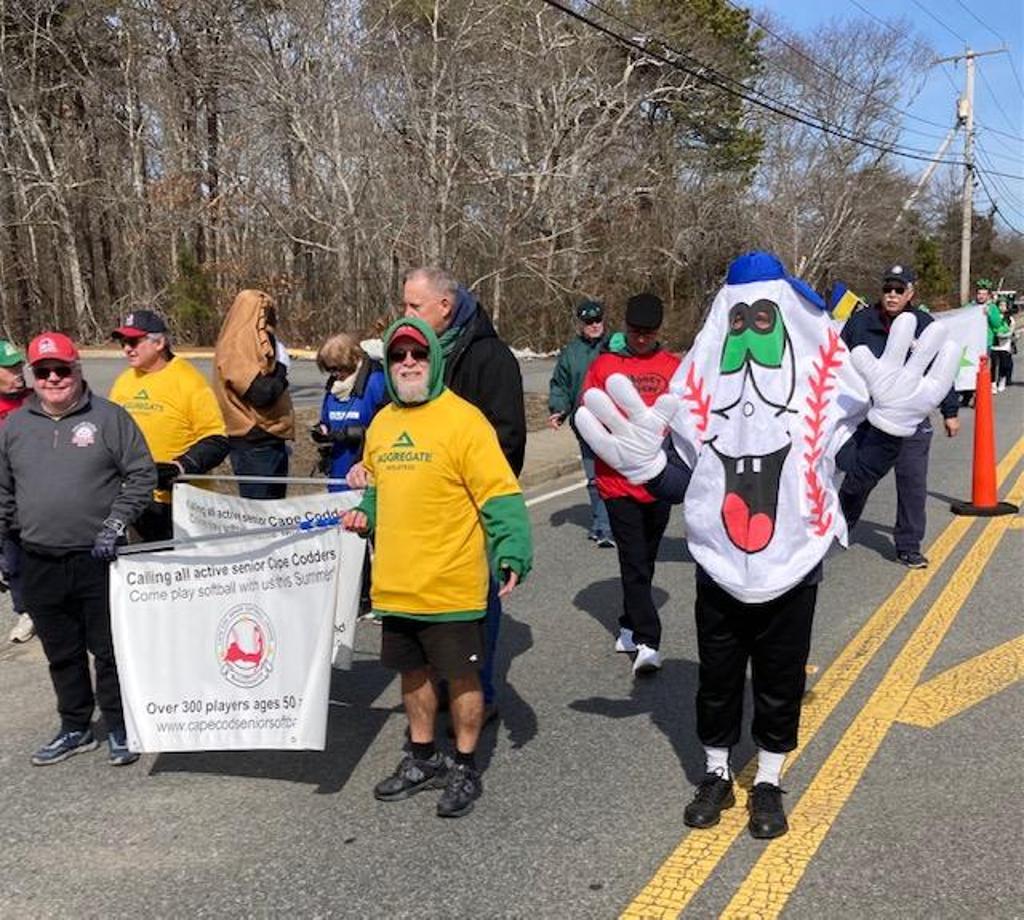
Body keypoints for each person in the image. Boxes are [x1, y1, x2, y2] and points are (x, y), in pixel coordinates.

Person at [577, 251, 958, 839]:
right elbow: (689, 485)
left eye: (764, 320)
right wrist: (649, 470)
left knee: (780, 680)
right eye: (739, 321)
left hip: (793, 564)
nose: (751, 336)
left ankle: (769, 779)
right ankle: (716, 772)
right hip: (719, 566)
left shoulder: (820, 395)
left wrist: (887, 430)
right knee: (718, 677)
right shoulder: (698, 395)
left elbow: (854, 475)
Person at [341, 318, 532, 818]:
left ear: (435, 359)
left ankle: (465, 766)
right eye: (398, 355)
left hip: (452, 583)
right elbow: (377, 489)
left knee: (463, 679)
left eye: (418, 354)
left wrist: (512, 548)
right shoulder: (382, 424)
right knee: (412, 674)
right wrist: (365, 512)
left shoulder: (464, 421)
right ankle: (422, 758)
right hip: (397, 584)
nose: (408, 363)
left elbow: (498, 492)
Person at [0, 332, 155, 766]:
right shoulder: (15, 426)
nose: (52, 378)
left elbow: (141, 474)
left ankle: (121, 725)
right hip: (39, 557)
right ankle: (75, 726)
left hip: (98, 557)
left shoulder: (109, 418)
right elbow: (3, 490)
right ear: (33, 375)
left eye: (61, 369)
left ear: (77, 369)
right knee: (61, 651)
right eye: (43, 371)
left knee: (109, 650)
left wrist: (116, 522)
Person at [400, 267, 526, 720]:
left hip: (473, 505)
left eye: (414, 305)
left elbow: (508, 439)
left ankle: (479, 693)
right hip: (425, 506)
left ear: (445, 306)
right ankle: (441, 683)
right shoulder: (415, 356)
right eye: (405, 304)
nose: (406, 314)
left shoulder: (491, 357)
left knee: (476, 601)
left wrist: (472, 491)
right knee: (431, 599)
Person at [581, 294, 680, 675]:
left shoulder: (672, 367)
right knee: (633, 558)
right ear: (625, 327)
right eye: (635, 331)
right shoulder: (606, 365)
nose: (641, 339)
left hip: (659, 480)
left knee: (646, 559)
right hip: (617, 481)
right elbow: (586, 412)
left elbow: (688, 420)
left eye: (648, 333)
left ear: (658, 331)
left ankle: (627, 622)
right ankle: (648, 640)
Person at [838, 264, 959, 569]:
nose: (892, 295)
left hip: (911, 421)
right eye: (887, 289)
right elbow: (836, 364)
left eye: (899, 289)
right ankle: (838, 530)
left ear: (910, 293)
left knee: (912, 485)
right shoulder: (860, 322)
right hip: (869, 419)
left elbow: (940, 374)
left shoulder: (924, 324)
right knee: (858, 481)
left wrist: (950, 411)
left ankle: (908, 546)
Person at [108, 310, 229, 540]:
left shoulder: (189, 381)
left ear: (159, 343)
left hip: (180, 503)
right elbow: (110, 433)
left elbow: (216, 440)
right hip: (135, 499)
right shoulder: (124, 382)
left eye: (134, 341)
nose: (127, 349)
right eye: (123, 342)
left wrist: (180, 467)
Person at [212, 290, 295, 499]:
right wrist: (281, 369)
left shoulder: (258, 341)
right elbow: (260, 394)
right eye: (264, 312)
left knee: (274, 511)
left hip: (271, 437)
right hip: (253, 441)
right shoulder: (236, 345)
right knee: (258, 510)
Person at [548, 299, 614, 546]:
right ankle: (601, 525)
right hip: (586, 425)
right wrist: (558, 409)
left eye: (598, 320)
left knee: (616, 477)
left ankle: (611, 526)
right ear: (581, 324)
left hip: (615, 424)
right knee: (595, 479)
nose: (594, 325)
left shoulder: (615, 346)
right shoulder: (571, 353)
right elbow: (561, 385)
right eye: (589, 322)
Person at [311, 333, 388, 490]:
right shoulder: (334, 388)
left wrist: (356, 434)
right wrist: (322, 430)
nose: (334, 374)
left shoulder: (376, 382)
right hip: (338, 472)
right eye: (329, 369)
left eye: (337, 368)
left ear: (351, 361)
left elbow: (389, 427)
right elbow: (326, 420)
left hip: (366, 475)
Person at [0, 340, 33, 643]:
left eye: (18, 365)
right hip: (5, 497)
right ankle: (25, 611)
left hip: (35, 494)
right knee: (11, 561)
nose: (18, 373)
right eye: (9, 368)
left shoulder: (36, 399)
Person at [958, 279, 997, 407]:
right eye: (979, 293)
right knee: (968, 369)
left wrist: (989, 314)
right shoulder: (971, 307)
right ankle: (967, 394)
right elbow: (962, 318)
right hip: (971, 342)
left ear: (988, 295)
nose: (981, 296)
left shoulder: (992, 307)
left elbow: (997, 324)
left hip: (985, 343)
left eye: (984, 294)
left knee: (982, 370)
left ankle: (979, 397)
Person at [989, 296, 1013, 394]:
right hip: (994, 345)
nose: (1002, 307)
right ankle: (993, 384)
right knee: (993, 365)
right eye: (1000, 305)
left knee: (1004, 365)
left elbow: (1011, 331)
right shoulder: (994, 317)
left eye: (1004, 305)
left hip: (1004, 345)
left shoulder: (1009, 318)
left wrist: (1004, 334)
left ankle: (1002, 380)